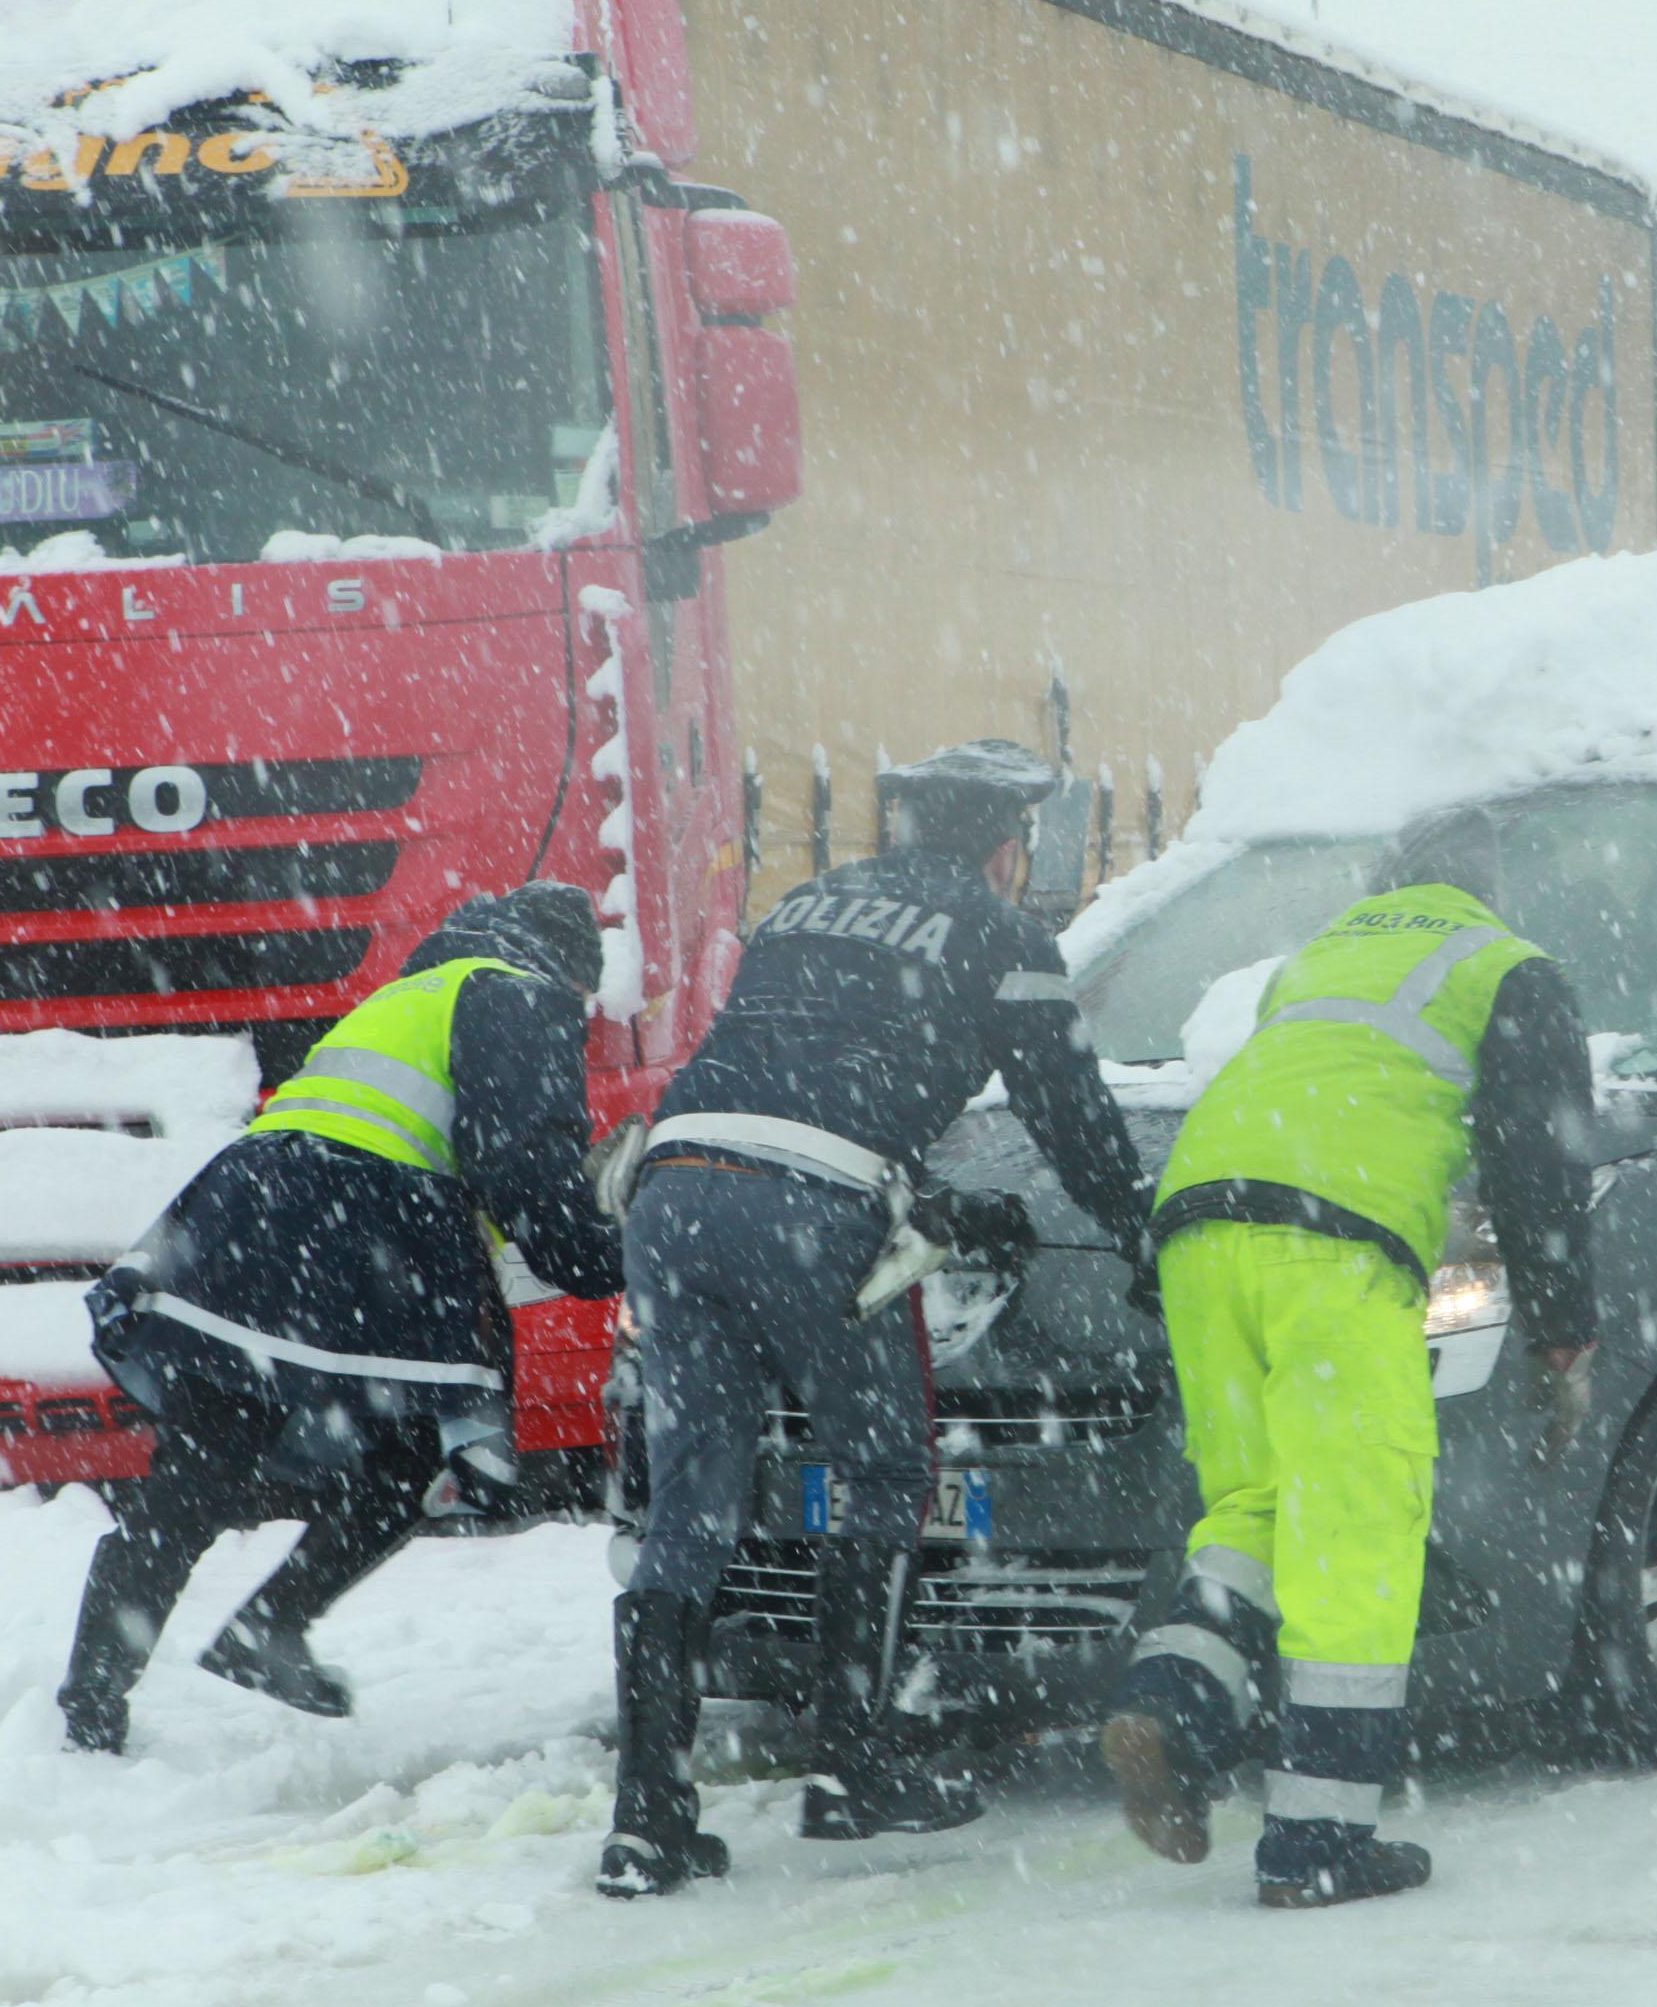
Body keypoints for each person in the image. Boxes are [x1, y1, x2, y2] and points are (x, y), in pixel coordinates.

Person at [600, 740, 1156, 1899]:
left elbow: (798, 1054)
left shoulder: (805, 901)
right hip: (816, 1206)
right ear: (1007, 848)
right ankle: (853, 1769)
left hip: (677, 1179)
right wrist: (1135, 1222)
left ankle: (648, 1815)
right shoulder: (1002, 933)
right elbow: (1071, 1114)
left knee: (693, 1492)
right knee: (885, 1468)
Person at [1102, 805, 1598, 1909]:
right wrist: (1563, 1326)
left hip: (1196, 1224)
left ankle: (1174, 1703)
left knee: (1256, 1502)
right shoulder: (1509, 967)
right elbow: (1538, 1168)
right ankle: (1317, 1839)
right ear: (1492, 885)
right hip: (1331, 1244)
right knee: (1359, 1525)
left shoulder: (1320, 958)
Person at [60, 884, 625, 1753]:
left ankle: (91, 1705)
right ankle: (270, 1624)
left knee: (201, 1467)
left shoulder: (415, 991)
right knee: (405, 1456)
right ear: (570, 969)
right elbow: (521, 1163)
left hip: (246, 1210)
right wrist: (603, 1255)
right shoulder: (520, 993)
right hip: (360, 1219)